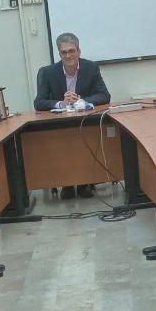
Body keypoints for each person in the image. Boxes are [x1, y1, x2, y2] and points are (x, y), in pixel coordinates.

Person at [33, 32, 112, 199]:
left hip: (84, 122)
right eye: (64, 52)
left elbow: (104, 95)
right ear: (59, 54)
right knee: (63, 143)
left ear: (79, 51)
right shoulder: (48, 72)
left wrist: (81, 101)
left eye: (71, 51)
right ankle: (66, 183)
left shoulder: (91, 68)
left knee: (86, 139)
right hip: (59, 125)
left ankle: (84, 182)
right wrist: (62, 104)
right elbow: (39, 102)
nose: (68, 56)